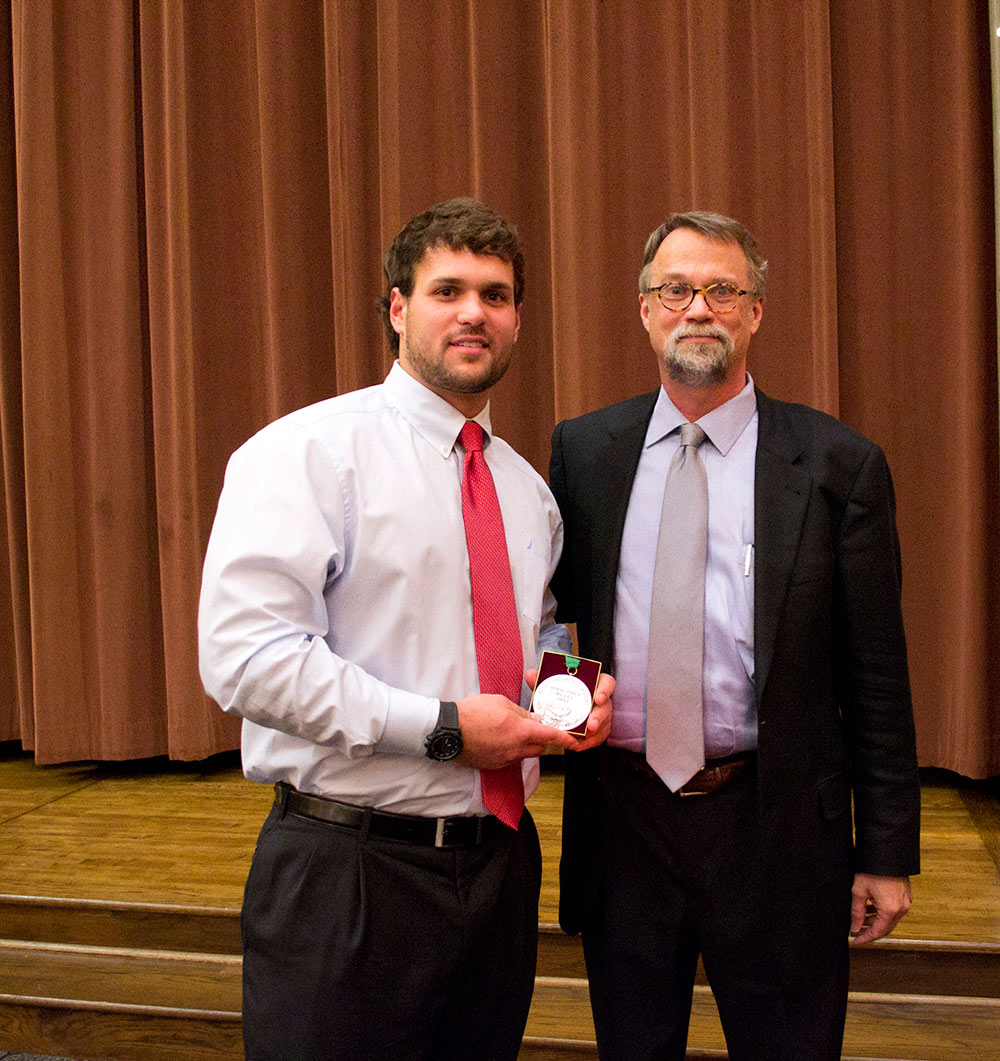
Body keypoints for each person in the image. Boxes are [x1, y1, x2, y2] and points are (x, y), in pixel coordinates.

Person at [199, 197, 614, 1061]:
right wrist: (445, 728)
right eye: (447, 290)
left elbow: (534, 631)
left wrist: (569, 691)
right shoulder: (307, 453)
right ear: (396, 307)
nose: (474, 312)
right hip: (348, 871)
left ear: (517, 320)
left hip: (499, 867)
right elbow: (246, 659)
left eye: (496, 295)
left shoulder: (527, 490)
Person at [549, 210, 920, 1060]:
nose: (699, 308)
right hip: (625, 822)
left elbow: (877, 676)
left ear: (756, 311)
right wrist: (560, 701)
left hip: (777, 826)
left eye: (723, 289)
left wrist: (888, 849)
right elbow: (559, 614)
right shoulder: (585, 450)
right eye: (676, 289)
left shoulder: (838, 465)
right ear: (645, 310)